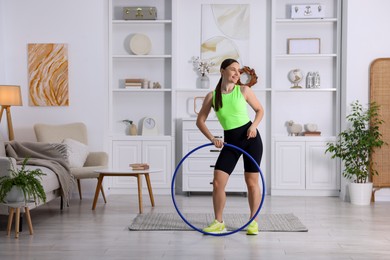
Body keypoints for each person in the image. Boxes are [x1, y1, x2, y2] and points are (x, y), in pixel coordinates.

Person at [196, 58, 264, 235]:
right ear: (222, 71)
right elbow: (200, 121)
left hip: (251, 139)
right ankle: (219, 222)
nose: (236, 73)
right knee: (218, 182)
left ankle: (253, 222)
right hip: (231, 142)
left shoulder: (244, 90)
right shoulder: (212, 96)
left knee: (251, 183)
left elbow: (260, 110)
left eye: (238, 71)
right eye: (232, 69)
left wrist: (254, 126)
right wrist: (212, 138)